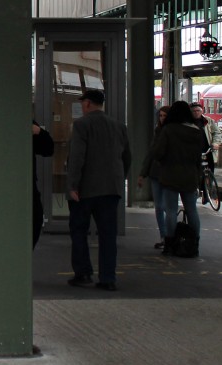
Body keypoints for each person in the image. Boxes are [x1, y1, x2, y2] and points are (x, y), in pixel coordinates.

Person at [66, 89, 131, 292]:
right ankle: (108, 278)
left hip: (85, 189)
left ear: (87, 104)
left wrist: (73, 185)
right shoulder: (119, 126)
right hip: (111, 189)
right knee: (108, 235)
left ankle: (83, 273)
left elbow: (77, 157)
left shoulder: (81, 125)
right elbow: (127, 157)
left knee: (79, 230)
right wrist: (120, 180)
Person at [137, 101, 208, 256]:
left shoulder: (169, 130)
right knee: (191, 210)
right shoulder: (196, 130)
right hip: (190, 175)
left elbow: (158, 153)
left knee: (170, 210)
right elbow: (200, 154)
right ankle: (194, 244)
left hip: (170, 174)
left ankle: (169, 243)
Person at [146, 105, 170, 249]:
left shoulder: (171, 132)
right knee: (159, 206)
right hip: (156, 172)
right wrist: (144, 172)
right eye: (160, 116)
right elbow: (151, 153)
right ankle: (163, 235)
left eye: (164, 116)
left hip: (167, 173)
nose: (162, 118)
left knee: (166, 206)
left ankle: (168, 236)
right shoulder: (157, 131)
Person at [31, 119, 55, 249]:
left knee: (36, 218)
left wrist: (39, 132)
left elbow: (48, 149)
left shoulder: (27, 123)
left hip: (26, 183)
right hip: (25, 183)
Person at [191, 102, 222, 188]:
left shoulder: (208, 121)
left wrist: (215, 143)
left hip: (208, 150)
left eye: (198, 110)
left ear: (202, 111)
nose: (196, 112)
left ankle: (208, 190)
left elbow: (216, 132)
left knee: (210, 170)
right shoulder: (188, 122)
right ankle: (197, 187)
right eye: (194, 111)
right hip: (194, 152)